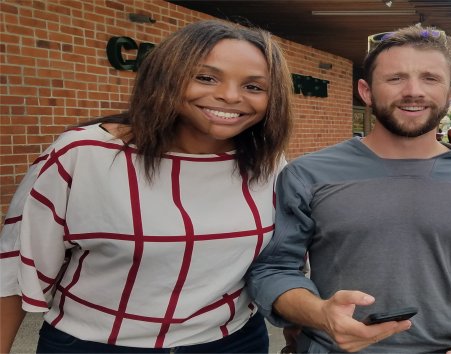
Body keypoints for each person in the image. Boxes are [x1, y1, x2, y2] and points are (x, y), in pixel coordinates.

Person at [0, 19, 294, 353]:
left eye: (254, 87)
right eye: (206, 77)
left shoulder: (269, 163)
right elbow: (14, 268)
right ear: (166, 76)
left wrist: (299, 329)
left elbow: (280, 260)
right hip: (95, 344)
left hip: (233, 342)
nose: (229, 96)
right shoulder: (83, 154)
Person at [247, 24, 451, 353]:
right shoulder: (308, 174)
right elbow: (273, 269)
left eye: (430, 78)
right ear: (366, 91)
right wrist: (321, 314)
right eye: (395, 78)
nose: (414, 91)